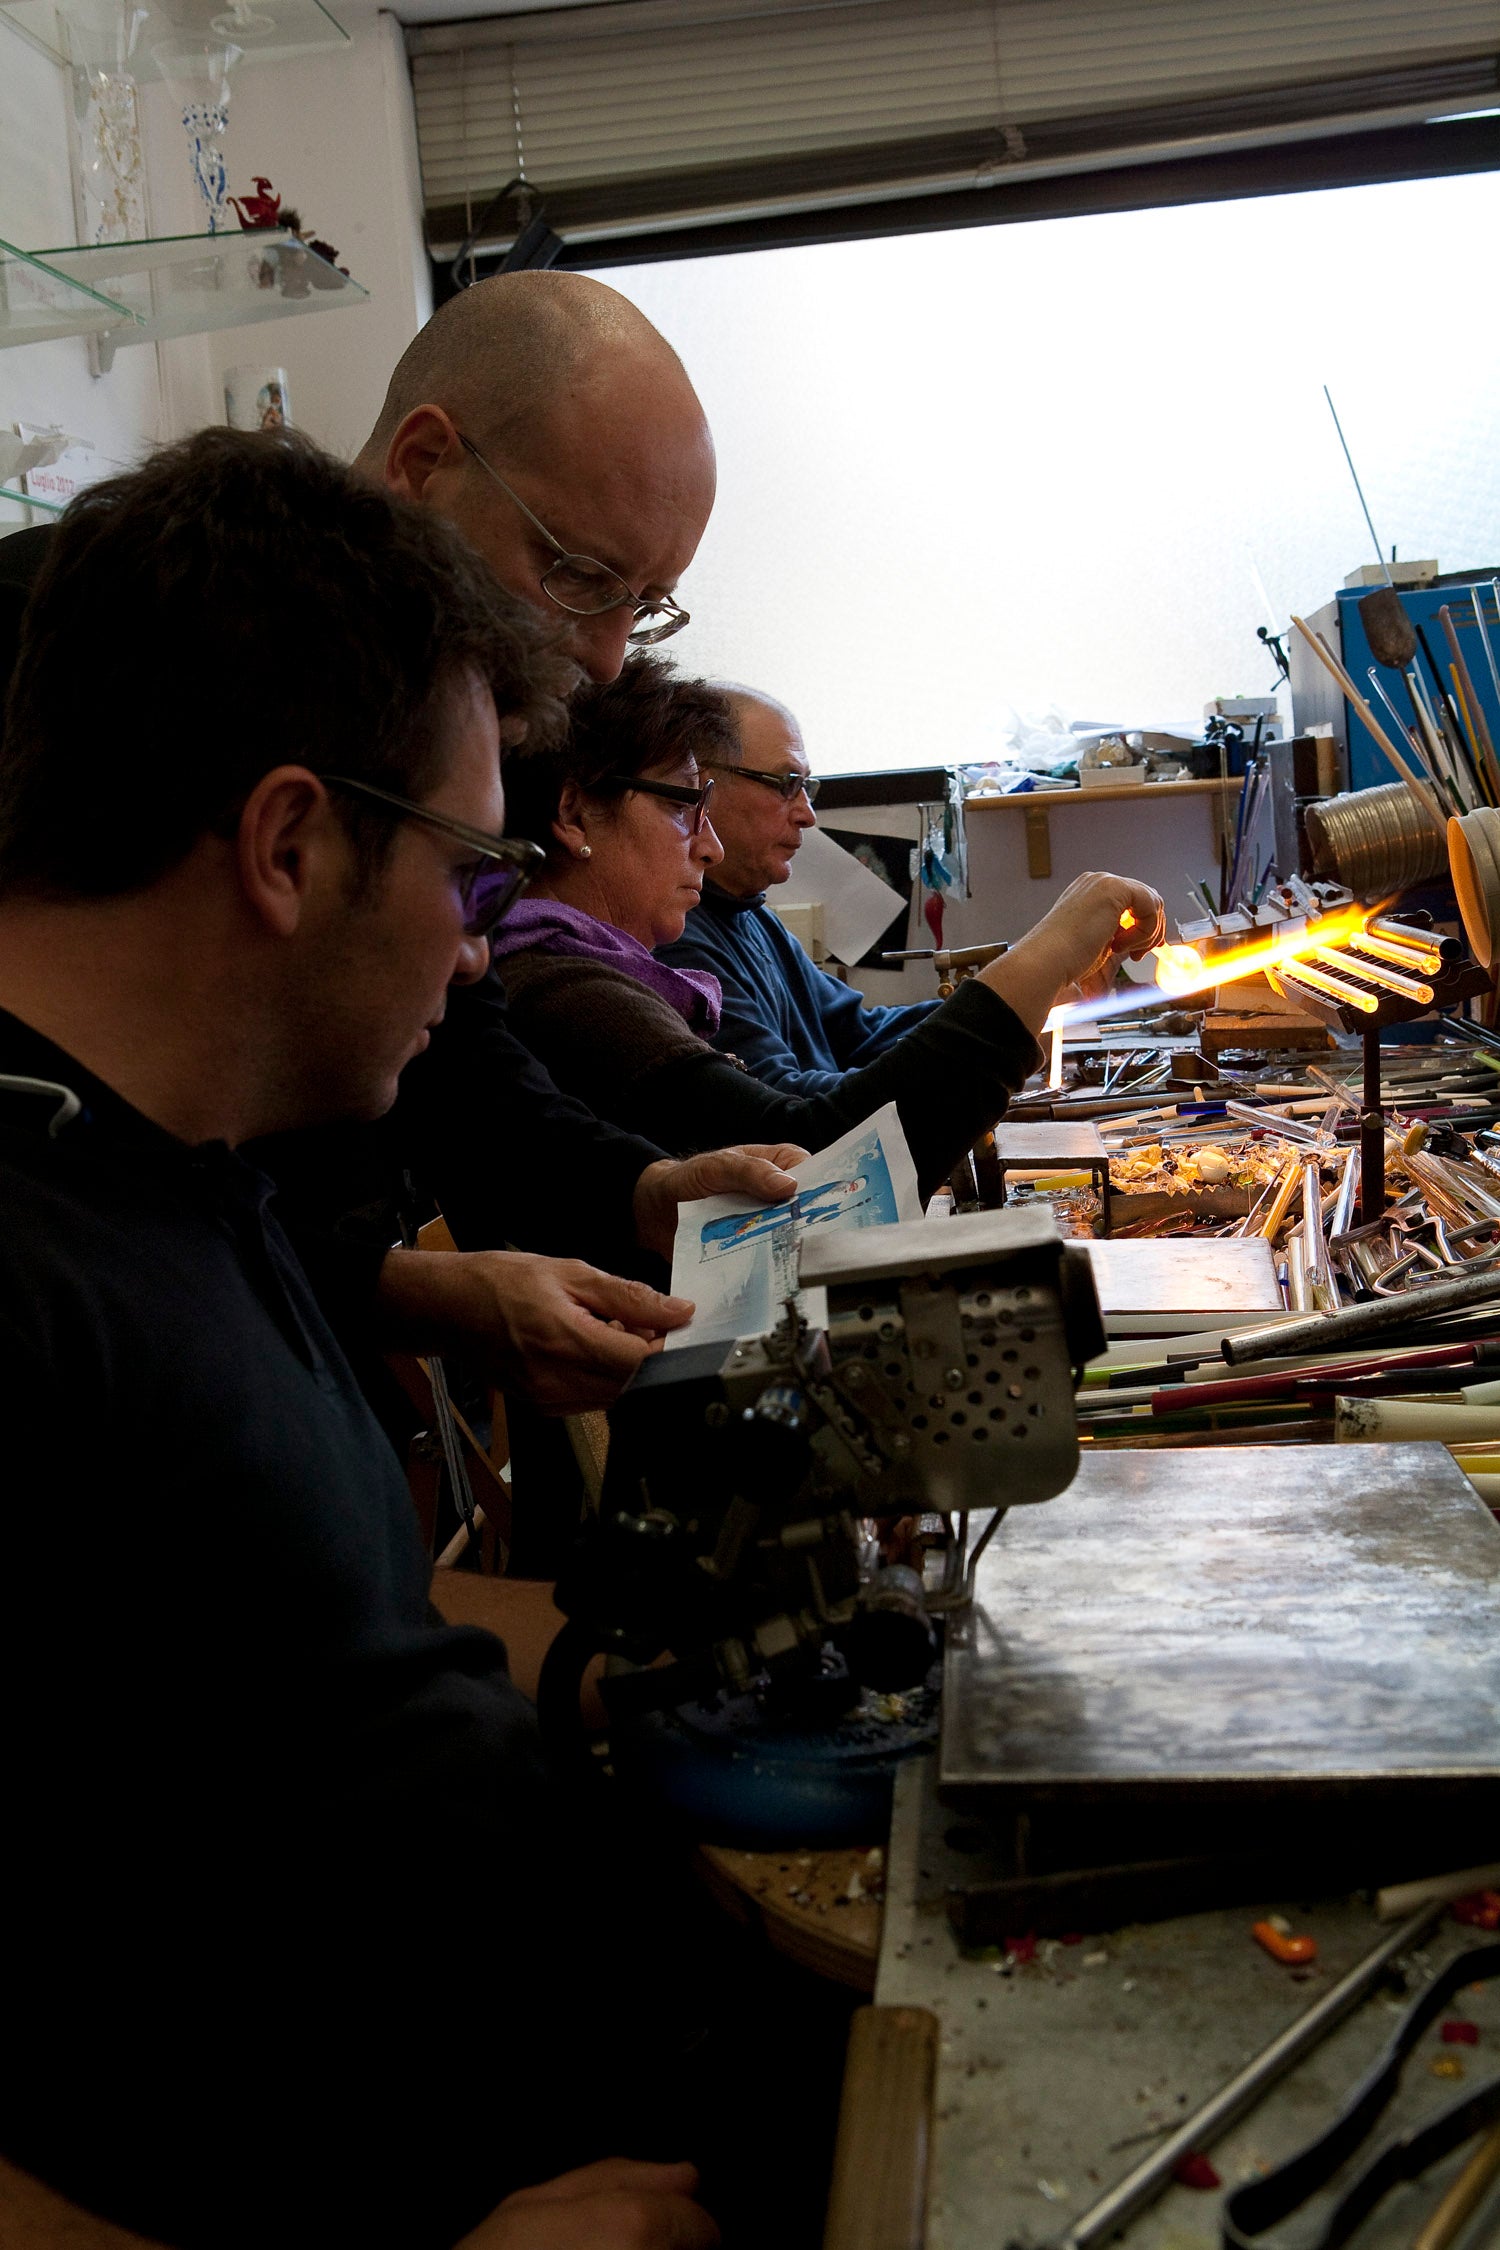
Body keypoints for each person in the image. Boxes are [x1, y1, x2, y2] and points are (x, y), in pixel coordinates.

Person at [0, 427, 727, 2250]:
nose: (478, 955)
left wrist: (652, 1676)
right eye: (472, 881)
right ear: (290, 843)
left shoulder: (199, 1176)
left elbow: (307, 1638)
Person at [0, 273, 799, 1423]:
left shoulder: (487, 721)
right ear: (424, 462)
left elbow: (459, 1054)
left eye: (647, 602)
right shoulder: (79, 630)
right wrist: (394, 1288)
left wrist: (639, 1188)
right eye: (579, 575)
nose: (609, 656)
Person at [460, 655, 1164, 1198]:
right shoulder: (567, 987)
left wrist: (1039, 991)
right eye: (682, 805)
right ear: (574, 814)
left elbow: (855, 1043)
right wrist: (1039, 961)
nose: (708, 847)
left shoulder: (653, 951)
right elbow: (825, 1156)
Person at [657, 681, 944, 1089]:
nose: (807, 815)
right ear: (701, 787)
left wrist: (993, 1002)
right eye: (786, 783)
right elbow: (782, 1098)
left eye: (806, 787)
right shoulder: (676, 941)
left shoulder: (752, 916)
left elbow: (860, 1035)